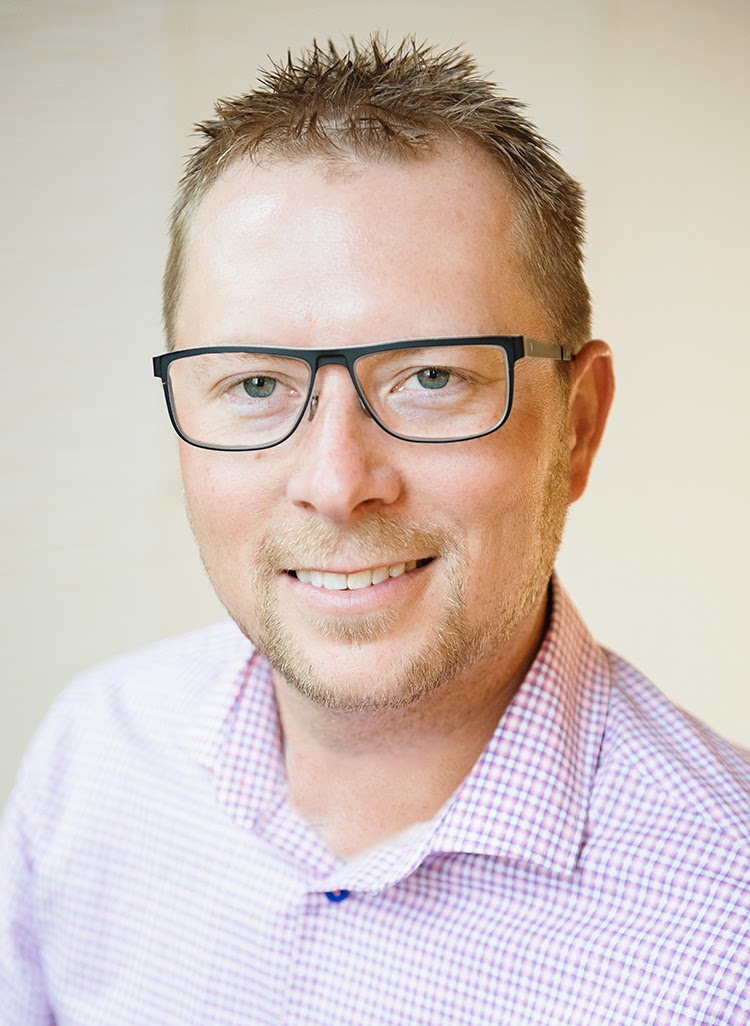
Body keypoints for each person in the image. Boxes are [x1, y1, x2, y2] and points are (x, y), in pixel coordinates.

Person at [1, 35, 748, 1026]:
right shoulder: (94, 755)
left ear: (578, 425)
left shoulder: (729, 927)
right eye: (256, 384)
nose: (336, 482)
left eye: (431, 377)